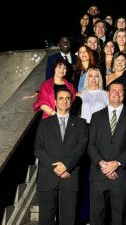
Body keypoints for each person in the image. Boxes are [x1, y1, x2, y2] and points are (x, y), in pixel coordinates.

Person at [34, 87, 88, 225]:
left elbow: (81, 148)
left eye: (68, 98)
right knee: (45, 220)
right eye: (61, 98)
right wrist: (56, 167)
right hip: (47, 178)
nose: (65, 101)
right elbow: (38, 149)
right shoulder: (44, 123)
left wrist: (66, 166)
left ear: (71, 102)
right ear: (55, 102)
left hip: (69, 177)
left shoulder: (81, 124)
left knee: (68, 220)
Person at [87, 81, 126, 225]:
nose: (117, 93)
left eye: (120, 91)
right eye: (113, 91)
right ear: (108, 94)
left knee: (120, 217)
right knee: (97, 217)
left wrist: (116, 163)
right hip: (98, 174)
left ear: (124, 95)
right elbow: (90, 144)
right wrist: (103, 164)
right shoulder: (96, 116)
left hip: (122, 174)